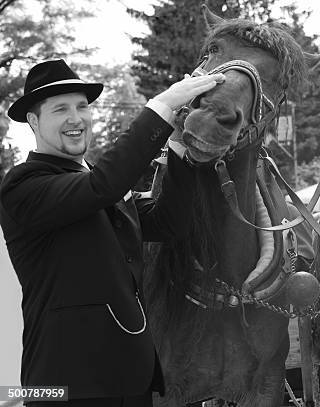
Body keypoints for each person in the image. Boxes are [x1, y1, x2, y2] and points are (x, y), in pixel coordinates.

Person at [0, 59, 224, 406]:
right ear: (33, 121)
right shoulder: (23, 184)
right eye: (60, 109)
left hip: (132, 378)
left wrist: (179, 145)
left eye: (82, 107)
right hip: (67, 388)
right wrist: (162, 106)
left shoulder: (95, 182)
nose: (76, 118)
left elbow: (170, 223)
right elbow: (102, 186)